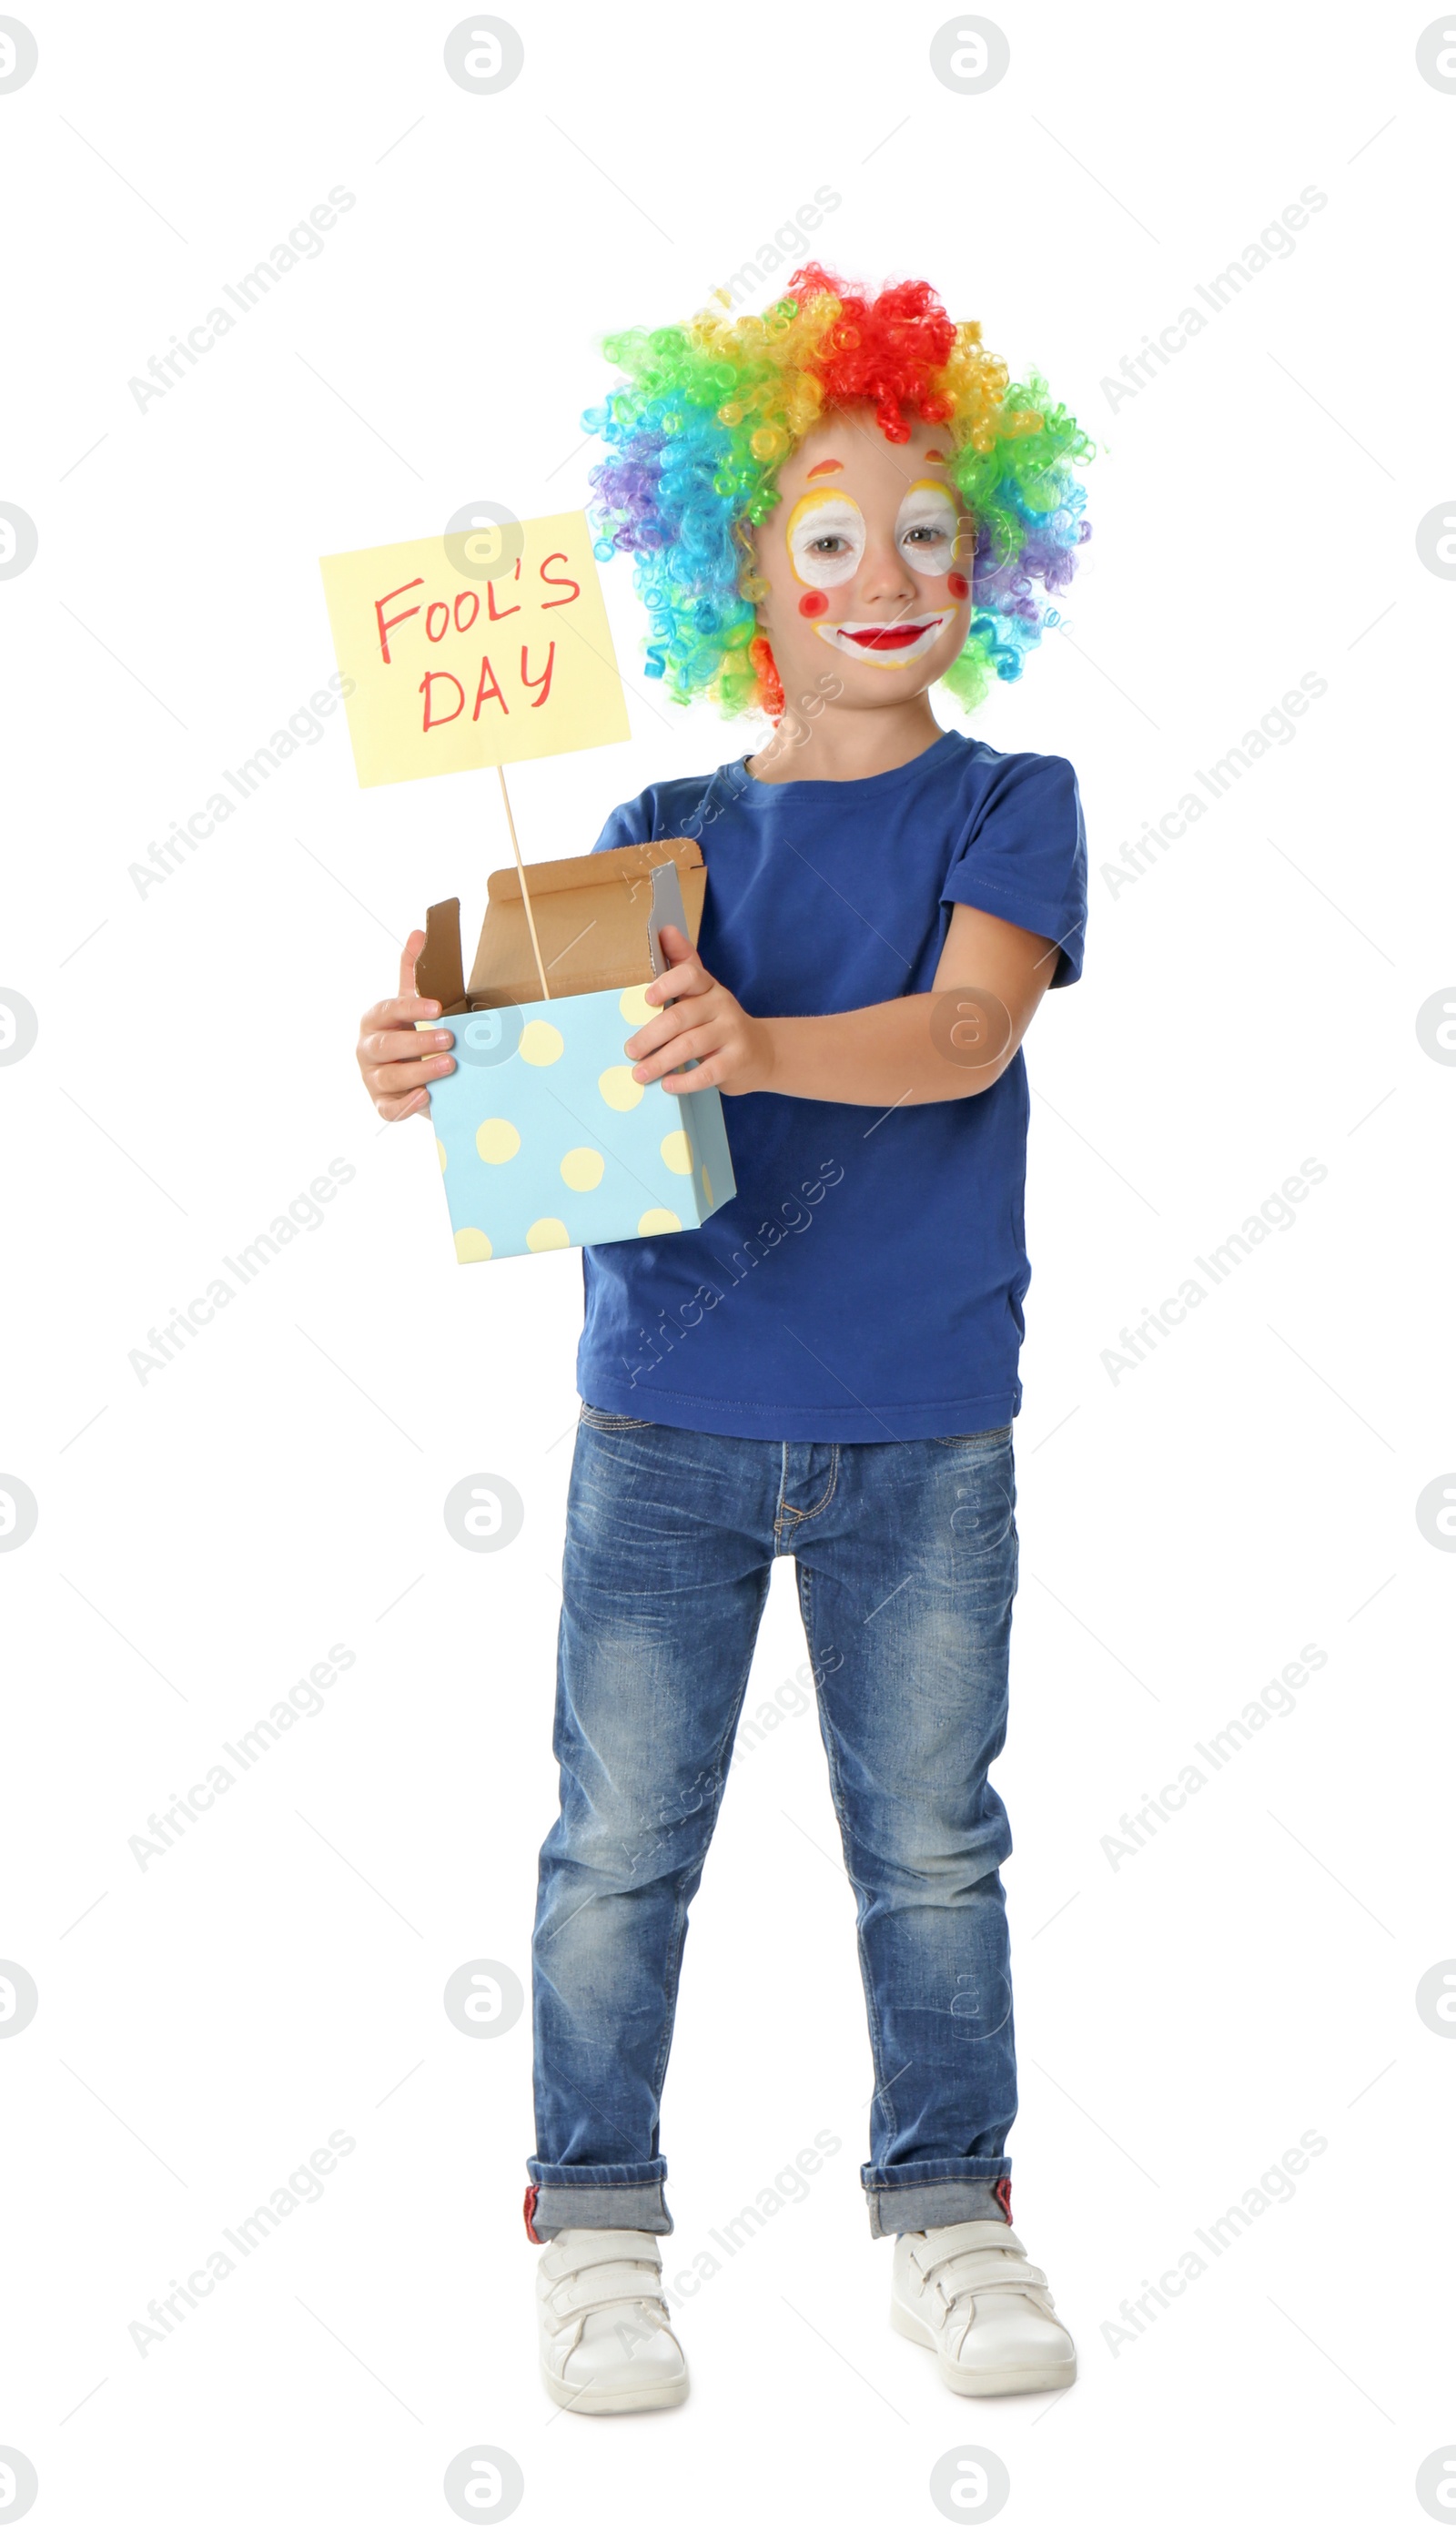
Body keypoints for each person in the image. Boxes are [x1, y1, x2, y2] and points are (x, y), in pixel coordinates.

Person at [356, 264, 1093, 2415]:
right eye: (831, 533)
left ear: (993, 558)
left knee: (931, 1841)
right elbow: (554, 1128)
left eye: (933, 528)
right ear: (741, 575)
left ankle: (947, 2209)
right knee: (616, 1840)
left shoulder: (1003, 800)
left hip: (925, 1427)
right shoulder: (647, 837)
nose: (889, 570)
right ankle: (591, 2226)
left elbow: (961, 1034)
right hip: (664, 1416)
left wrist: (755, 1037)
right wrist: (433, 1055)